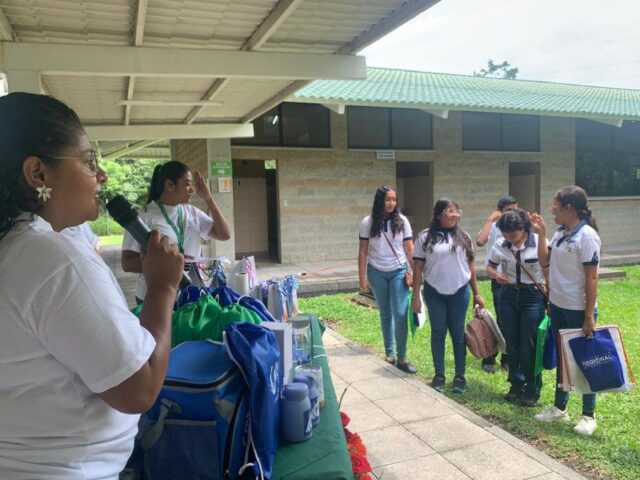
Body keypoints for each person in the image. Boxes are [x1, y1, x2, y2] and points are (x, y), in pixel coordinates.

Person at [0, 92, 184, 479]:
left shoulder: (14, 247)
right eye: (88, 161)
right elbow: (139, 389)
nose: (101, 176)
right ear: (38, 174)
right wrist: (163, 287)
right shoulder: (50, 259)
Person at [531, 186, 601, 436]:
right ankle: (560, 407)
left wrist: (588, 316)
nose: (552, 209)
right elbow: (544, 261)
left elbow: (592, 278)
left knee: (584, 360)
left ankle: (588, 415)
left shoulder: (587, 236)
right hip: (558, 305)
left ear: (569, 208)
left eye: (555, 205)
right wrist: (542, 234)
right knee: (563, 358)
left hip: (578, 308)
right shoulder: (561, 233)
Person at [121, 160, 231, 304]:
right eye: (187, 184)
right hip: (155, 297)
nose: (192, 190)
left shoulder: (192, 212)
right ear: (170, 186)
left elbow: (224, 234)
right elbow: (127, 263)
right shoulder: (144, 216)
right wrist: (168, 263)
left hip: (189, 294)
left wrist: (208, 198)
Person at [412, 198, 484, 393]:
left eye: (456, 211)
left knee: (458, 333)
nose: (454, 215)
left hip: (459, 292)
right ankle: (439, 375)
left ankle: (460, 375)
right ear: (438, 214)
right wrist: (416, 297)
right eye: (449, 211)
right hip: (434, 292)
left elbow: (471, 266)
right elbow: (417, 268)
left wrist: (477, 294)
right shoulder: (425, 237)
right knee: (438, 332)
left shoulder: (464, 237)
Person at [486, 209, 547, 406]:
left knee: (528, 344)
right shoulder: (500, 244)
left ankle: (532, 388)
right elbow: (489, 267)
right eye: (505, 234)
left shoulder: (538, 242)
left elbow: (548, 266)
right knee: (511, 343)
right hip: (509, 294)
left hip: (533, 296)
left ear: (523, 229)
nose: (508, 238)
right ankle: (515, 384)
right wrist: (496, 275)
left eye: (512, 234)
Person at [358, 185, 416, 374]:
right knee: (385, 313)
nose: (391, 203)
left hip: (398, 272)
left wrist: (417, 274)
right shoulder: (368, 222)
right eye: (388, 199)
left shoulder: (402, 221)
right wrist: (362, 278)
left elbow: (409, 249)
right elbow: (363, 251)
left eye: (394, 199)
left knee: (400, 313)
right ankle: (389, 353)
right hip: (376, 272)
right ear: (380, 201)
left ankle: (402, 358)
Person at [476, 195, 518, 373]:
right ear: (499, 211)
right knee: (500, 319)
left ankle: (507, 359)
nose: (512, 214)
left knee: (512, 321)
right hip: (499, 280)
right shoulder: (493, 226)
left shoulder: (520, 227)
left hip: (517, 281)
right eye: (508, 211)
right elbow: (480, 241)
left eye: (515, 210)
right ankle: (489, 356)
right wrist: (490, 219)